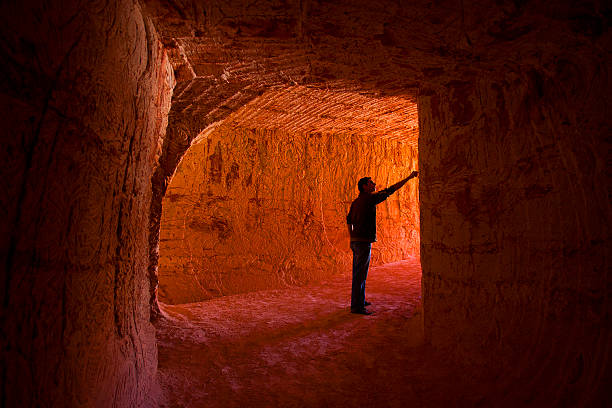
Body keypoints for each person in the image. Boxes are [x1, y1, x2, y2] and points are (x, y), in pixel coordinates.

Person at [346, 172, 419, 315]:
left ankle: (360, 300)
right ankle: (357, 306)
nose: (374, 184)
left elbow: (348, 220)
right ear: (365, 187)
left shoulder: (356, 202)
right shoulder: (369, 199)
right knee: (360, 273)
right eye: (371, 182)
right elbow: (391, 190)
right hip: (363, 241)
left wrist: (352, 237)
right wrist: (409, 177)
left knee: (359, 272)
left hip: (356, 241)